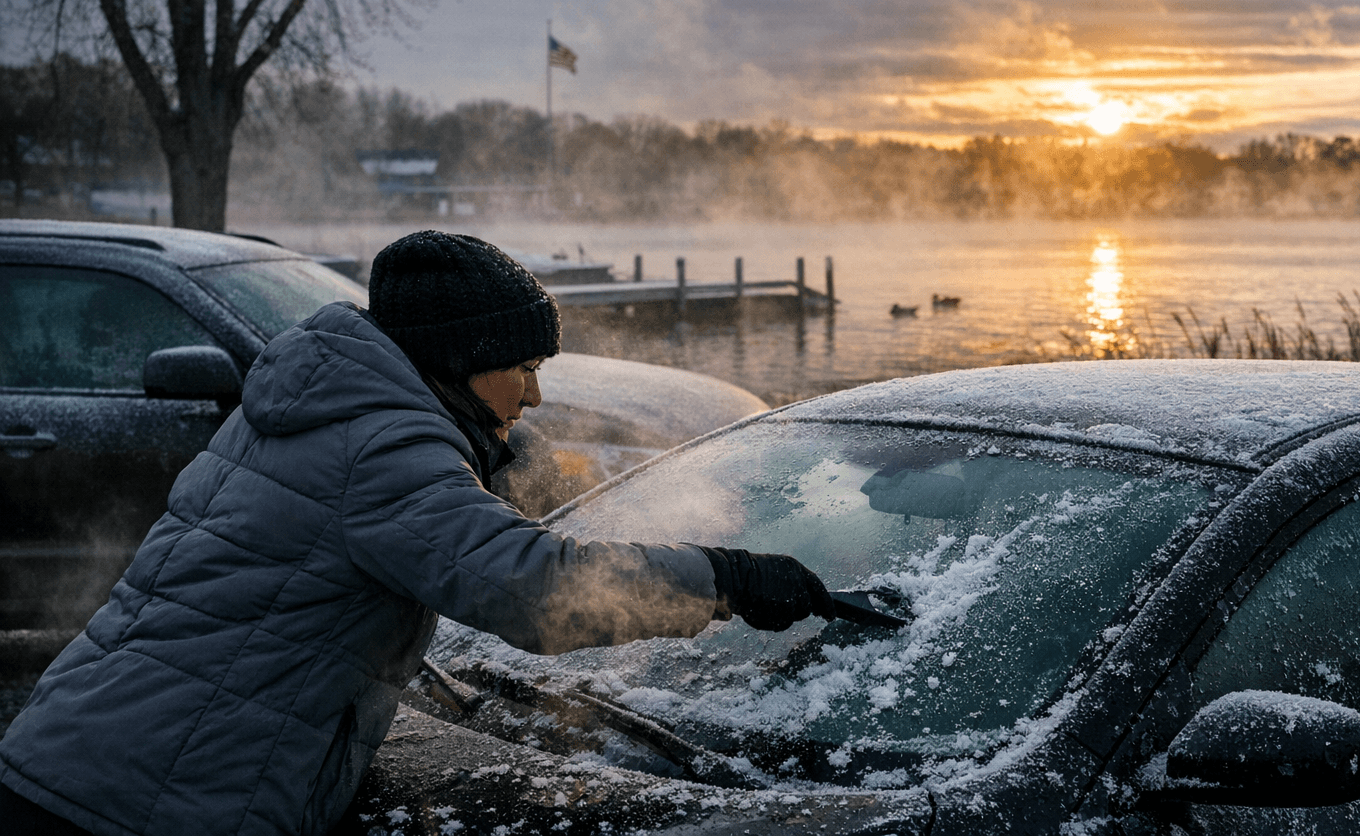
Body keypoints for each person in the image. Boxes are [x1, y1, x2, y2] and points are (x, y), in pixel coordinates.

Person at [0, 231, 835, 836]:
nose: (535, 398)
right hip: (153, 797)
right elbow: (534, 592)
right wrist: (724, 577)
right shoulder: (386, 448)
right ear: (459, 362)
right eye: (526, 370)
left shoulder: (320, 405)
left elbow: (349, 539)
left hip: (83, 752)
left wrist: (483, 457)